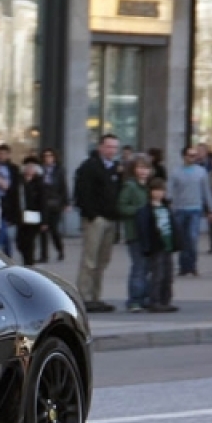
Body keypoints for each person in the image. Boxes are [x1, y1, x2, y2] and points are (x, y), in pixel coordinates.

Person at [74, 134, 123, 313]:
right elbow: (82, 192)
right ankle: (84, 296)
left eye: (114, 147)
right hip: (96, 219)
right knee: (90, 259)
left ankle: (96, 296)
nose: (112, 151)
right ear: (101, 147)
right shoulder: (90, 166)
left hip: (110, 219)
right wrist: (91, 214)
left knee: (103, 260)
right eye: (109, 147)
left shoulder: (115, 169)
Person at [169, 146, 212, 277]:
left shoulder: (201, 172)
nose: (193, 158)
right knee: (182, 239)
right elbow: (170, 191)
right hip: (180, 209)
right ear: (184, 156)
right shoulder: (176, 172)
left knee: (192, 237)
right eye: (190, 155)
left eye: (195, 155)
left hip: (195, 209)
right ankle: (183, 266)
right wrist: (168, 205)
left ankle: (192, 264)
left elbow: (207, 191)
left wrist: (211, 209)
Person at [134, 178, 179, 313]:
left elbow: (173, 227)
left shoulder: (166, 208)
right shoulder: (146, 210)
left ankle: (165, 300)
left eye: (161, 190)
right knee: (157, 274)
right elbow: (144, 229)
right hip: (156, 246)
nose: (159, 193)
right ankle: (155, 300)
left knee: (168, 274)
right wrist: (147, 246)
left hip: (167, 245)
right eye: (156, 190)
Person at [116, 157, 153, 312]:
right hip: (135, 232)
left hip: (150, 233)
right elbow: (121, 207)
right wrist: (138, 211)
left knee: (147, 267)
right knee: (138, 266)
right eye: (140, 168)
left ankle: (145, 297)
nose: (143, 171)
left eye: (146, 168)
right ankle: (135, 300)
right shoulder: (130, 187)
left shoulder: (150, 187)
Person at [13, 156, 46, 267]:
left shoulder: (39, 182)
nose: (30, 169)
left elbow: (43, 202)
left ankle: (29, 263)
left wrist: (44, 221)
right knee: (20, 242)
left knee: (30, 242)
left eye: (32, 167)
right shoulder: (19, 181)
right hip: (21, 216)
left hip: (34, 217)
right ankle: (27, 259)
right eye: (28, 167)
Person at [38, 148, 70, 262]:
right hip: (42, 204)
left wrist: (66, 203)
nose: (48, 158)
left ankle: (60, 249)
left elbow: (63, 187)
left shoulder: (59, 170)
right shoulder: (40, 170)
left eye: (50, 156)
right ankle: (44, 255)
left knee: (54, 229)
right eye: (46, 156)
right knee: (42, 230)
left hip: (55, 203)